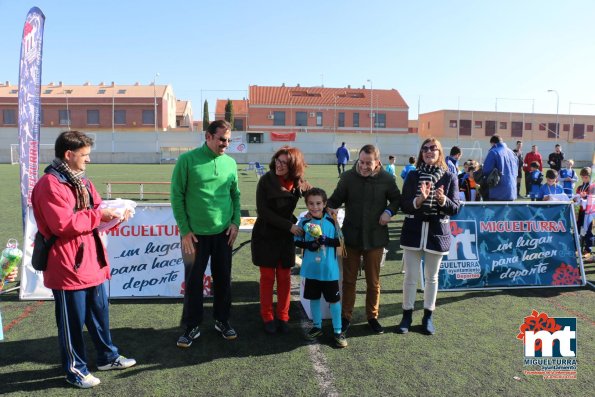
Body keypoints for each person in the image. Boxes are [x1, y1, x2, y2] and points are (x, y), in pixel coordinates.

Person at [31, 131, 136, 389]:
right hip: (66, 266)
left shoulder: (83, 182)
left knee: (100, 315)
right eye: (85, 155)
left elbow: (96, 209)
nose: (88, 160)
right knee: (72, 324)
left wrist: (116, 215)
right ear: (69, 155)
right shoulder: (49, 185)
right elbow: (63, 224)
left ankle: (107, 357)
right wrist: (99, 216)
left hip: (92, 262)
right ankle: (75, 370)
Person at [171, 120, 241, 347]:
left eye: (229, 140)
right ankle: (192, 326)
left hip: (223, 234)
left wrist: (235, 223)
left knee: (223, 279)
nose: (226, 144)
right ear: (208, 136)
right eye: (222, 139)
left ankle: (222, 320)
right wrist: (185, 231)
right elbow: (177, 196)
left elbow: (235, 195)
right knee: (193, 282)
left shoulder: (230, 163)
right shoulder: (187, 160)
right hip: (194, 237)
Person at [327, 144, 401, 334]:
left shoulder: (386, 178)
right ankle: (346, 317)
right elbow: (334, 200)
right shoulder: (347, 177)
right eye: (361, 162)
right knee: (349, 280)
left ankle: (372, 317)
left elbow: (396, 199)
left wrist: (388, 211)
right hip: (351, 237)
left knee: (373, 281)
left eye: (369, 163)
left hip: (375, 238)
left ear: (377, 162)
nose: (364, 166)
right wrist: (328, 207)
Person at [397, 138, 460, 335]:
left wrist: (443, 200)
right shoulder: (413, 175)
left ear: (440, 152)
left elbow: (456, 208)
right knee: (410, 277)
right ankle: (406, 315)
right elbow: (404, 204)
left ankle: (428, 316)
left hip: (437, 233)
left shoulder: (450, 177)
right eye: (425, 149)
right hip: (413, 232)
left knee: (431, 278)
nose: (428, 151)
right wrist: (419, 200)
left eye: (433, 149)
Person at [251, 146, 310, 334]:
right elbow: (263, 212)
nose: (279, 164)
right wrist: (290, 227)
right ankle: (267, 316)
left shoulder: (297, 181)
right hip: (266, 234)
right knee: (267, 278)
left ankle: (283, 316)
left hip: (285, 237)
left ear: (293, 165)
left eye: (284, 162)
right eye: (278, 160)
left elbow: (313, 194)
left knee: (284, 278)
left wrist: (324, 208)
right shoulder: (266, 180)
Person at [295, 188, 347, 348]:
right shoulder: (304, 222)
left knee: (334, 300)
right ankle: (317, 326)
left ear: (324, 204)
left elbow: (341, 242)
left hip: (329, 271)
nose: (314, 207)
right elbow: (297, 241)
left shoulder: (331, 221)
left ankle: (338, 331)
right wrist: (309, 244)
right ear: (307, 204)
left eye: (318, 203)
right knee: (314, 298)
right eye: (311, 203)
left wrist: (326, 240)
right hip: (311, 270)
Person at [481, 135, 518, 201]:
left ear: (493, 143)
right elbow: (516, 171)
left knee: (493, 211)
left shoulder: (493, 152)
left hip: (497, 191)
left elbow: (486, 170)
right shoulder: (512, 153)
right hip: (512, 191)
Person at [576, 167, 594, 258]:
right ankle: (577, 248)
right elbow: (576, 199)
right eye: (582, 177)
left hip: (590, 213)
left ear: (590, 177)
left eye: (586, 177)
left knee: (588, 231)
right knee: (578, 229)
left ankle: (588, 249)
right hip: (581, 211)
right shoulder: (580, 187)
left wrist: (586, 196)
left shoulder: (593, 187)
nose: (584, 179)